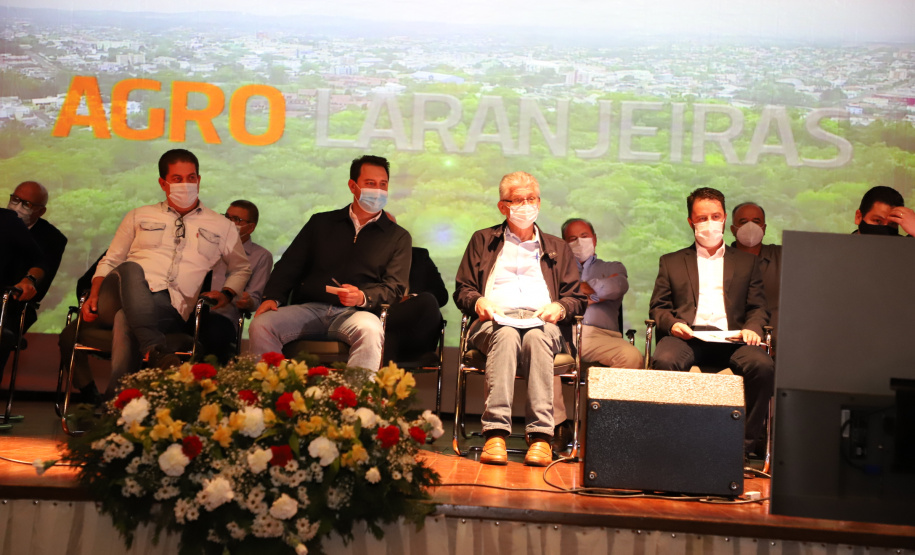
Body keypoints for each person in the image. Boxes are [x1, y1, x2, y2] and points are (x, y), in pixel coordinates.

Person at [80, 149, 251, 395]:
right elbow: (111, 260)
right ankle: (154, 349)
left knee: (126, 319)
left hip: (170, 306)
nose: (186, 184)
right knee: (129, 267)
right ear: (163, 183)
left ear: (199, 180)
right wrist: (95, 293)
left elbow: (241, 267)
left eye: (191, 178)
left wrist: (227, 293)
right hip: (113, 296)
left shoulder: (221, 226)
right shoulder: (139, 215)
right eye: (177, 179)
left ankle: (118, 404)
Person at [454, 171, 586, 467]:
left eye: (532, 199)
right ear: (503, 206)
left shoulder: (557, 247)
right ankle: (496, 433)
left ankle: (541, 437)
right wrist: (478, 301)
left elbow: (577, 298)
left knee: (538, 337)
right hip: (495, 321)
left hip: (542, 322)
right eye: (518, 200)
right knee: (507, 334)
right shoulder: (483, 240)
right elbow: (463, 289)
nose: (527, 205)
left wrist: (560, 308)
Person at [249, 155, 411, 371]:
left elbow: (395, 288)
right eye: (370, 184)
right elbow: (289, 264)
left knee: (371, 330)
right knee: (262, 325)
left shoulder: (397, 236)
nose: (378, 191)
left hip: (356, 314)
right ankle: (274, 393)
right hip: (310, 308)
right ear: (353, 186)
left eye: (383, 185)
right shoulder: (321, 223)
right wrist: (273, 297)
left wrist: (362, 296)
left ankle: (357, 399)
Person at [649, 187, 774, 456]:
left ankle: (742, 448)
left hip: (733, 339)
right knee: (664, 360)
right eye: (702, 217)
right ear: (690, 221)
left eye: (715, 216)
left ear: (725, 218)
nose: (709, 223)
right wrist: (672, 324)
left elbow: (758, 308)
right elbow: (659, 307)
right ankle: (669, 443)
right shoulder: (671, 262)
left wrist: (752, 329)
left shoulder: (746, 263)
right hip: (688, 337)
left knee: (762, 366)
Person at [554, 218, 642, 452]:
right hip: (563, 333)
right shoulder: (555, 269)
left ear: (595, 238)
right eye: (572, 239)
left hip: (601, 337)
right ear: (563, 243)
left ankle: (603, 426)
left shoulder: (613, 267)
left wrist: (576, 291)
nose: (579, 242)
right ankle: (558, 425)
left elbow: (616, 286)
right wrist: (595, 291)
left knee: (632, 357)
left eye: (584, 236)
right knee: (541, 351)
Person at [1, 181, 67, 369]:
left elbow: (42, 275)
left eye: (27, 204)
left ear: (41, 211)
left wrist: (26, 281)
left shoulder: (52, 238)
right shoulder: (3, 220)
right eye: (15, 199)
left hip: (15, 305)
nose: (18, 206)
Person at [199, 200, 273, 364]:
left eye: (237, 220)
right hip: (193, 310)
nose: (230, 223)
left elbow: (255, 299)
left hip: (222, 316)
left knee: (214, 335)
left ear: (251, 227)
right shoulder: (208, 244)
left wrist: (246, 300)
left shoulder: (261, 256)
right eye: (227, 217)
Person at [382, 213, 448, 364]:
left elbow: (441, 295)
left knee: (427, 300)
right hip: (380, 323)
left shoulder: (419, 256)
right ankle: (387, 381)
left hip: (415, 329)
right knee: (387, 332)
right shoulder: (368, 258)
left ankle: (385, 380)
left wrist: (411, 298)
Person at [729, 202, 781, 336]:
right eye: (743, 221)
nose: (750, 226)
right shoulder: (721, 261)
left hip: (780, 341)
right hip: (738, 340)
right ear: (733, 229)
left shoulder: (781, 257)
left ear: (764, 228)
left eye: (756, 221)